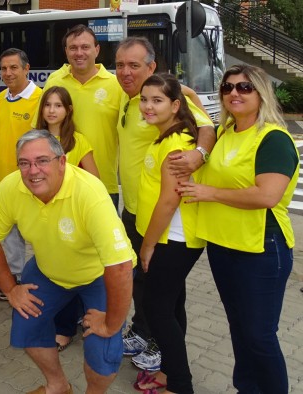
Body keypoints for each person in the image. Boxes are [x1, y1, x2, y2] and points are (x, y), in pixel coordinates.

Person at [0, 130, 135, 393]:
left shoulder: (89, 192)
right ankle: (58, 386)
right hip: (48, 271)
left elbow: (119, 266)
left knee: (103, 352)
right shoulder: (10, 187)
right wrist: (10, 288)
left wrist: (111, 323)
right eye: (24, 163)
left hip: (98, 275)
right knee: (27, 325)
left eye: (42, 160)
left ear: (62, 162)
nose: (32, 171)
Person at [177, 64, 299, 394]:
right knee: (239, 328)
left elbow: (268, 195)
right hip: (223, 246)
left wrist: (209, 193)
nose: (234, 93)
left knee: (259, 335)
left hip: (261, 248)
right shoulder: (226, 132)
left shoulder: (273, 139)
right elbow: (203, 124)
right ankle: (248, 388)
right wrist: (187, 94)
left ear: (261, 93)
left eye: (245, 87)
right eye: (228, 88)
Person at [114, 36, 215, 372]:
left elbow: (206, 126)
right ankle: (144, 332)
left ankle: (162, 345)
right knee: (143, 279)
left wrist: (197, 156)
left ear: (152, 67)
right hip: (133, 207)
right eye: (120, 65)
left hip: (164, 219)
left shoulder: (176, 96)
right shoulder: (129, 100)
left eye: (134, 65)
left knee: (163, 288)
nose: (126, 71)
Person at [132, 74, 206, 393]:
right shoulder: (167, 135)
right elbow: (190, 96)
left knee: (157, 309)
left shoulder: (177, 145)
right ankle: (168, 371)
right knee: (172, 306)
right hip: (171, 238)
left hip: (172, 239)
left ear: (176, 106)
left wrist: (147, 246)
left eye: (157, 100)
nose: (148, 106)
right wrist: (182, 88)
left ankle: (179, 383)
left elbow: (168, 201)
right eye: (144, 100)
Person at [35, 85, 99, 352]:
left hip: (74, 216)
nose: (52, 110)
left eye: (58, 105)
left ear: (68, 110)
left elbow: (95, 179)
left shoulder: (79, 141)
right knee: (53, 269)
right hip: (44, 215)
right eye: (48, 105)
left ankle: (71, 324)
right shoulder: (33, 140)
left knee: (75, 271)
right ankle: (60, 322)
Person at [42, 24, 123, 208]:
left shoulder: (116, 85)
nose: (79, 53)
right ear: (66, 52)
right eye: (73, 48)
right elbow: (39, 129)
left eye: (85, 47)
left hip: (103, 184)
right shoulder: (55, 81)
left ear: (97, 49)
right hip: (59, 187)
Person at [0, 47, 42, 296]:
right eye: (4, 68)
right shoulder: (1, 98)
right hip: (4, 179)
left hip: (32, 180)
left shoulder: (40, 99)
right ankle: (17, 277)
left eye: (14, 68)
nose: (8, 73)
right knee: (10, 233)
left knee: (39, 231)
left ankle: (48, 279)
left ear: (26, 69)